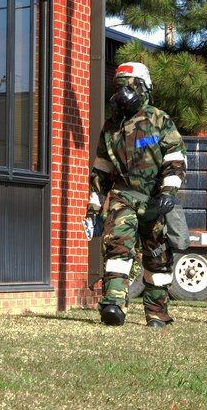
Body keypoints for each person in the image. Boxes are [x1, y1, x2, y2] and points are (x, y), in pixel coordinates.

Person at [84, 62, 186, 328]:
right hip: (123, 196)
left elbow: (175, 157)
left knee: (157, 257)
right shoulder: (111, 127)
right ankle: (114, 305)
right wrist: (93, 210)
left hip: (154, 198)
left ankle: (157, 314)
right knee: (118, 247)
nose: (123, 93)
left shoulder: (159, 120)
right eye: (119, 87)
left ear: (144, 87)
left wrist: (169, 190)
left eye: (129, 86)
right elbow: (101, 170)